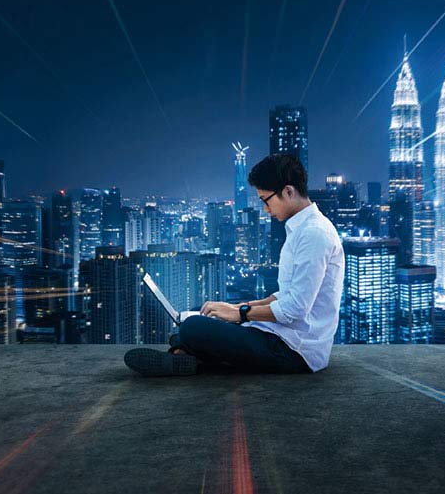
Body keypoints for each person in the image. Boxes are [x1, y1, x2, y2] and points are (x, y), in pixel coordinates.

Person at [124, 153, 345, 376]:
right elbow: (286, 294)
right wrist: (237, 306)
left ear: (288, 191)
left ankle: (189, 356)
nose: (266, 209)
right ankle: (186, 355)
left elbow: (295, 308)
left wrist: (240, 314)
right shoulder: (301, 229)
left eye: (266, 200)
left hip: (295, 351)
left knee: (193, 328)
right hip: (280, 335)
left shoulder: (314, 234)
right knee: (199, 315)